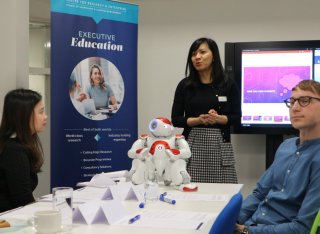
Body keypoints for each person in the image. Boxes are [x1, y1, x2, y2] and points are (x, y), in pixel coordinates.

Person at [235, 80, 320, 234]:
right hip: (250, 225)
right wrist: (234, 220)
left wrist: (246, 231)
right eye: (292, 101)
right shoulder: (286, 147)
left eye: (304, 100)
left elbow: (302, 228)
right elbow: (259, 193)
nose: (294, 107)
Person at [171, 37, 241, 183]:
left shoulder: (228, 84)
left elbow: (237, 116)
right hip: (192, 145)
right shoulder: (185, 85)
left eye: (202, 52)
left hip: (221, 145)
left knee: (224, 193)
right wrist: (198, 120)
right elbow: (176, 119)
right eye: (193, 54)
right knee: (190, 193)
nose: (197, 57)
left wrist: (220, 119)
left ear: (213, 55)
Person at [0, 89, 47, 212]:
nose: (45, 117)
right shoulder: (13, 150)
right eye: (41, 112)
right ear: (24, 115)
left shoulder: (13, 143)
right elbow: (22, 200)